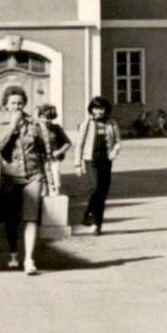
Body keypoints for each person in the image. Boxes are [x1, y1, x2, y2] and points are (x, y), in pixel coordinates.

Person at [0, 86, 49, 274]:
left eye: (20, 103)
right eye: (13, 103)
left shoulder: (34, 124)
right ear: (6, 105)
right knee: (11, 219)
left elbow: (42, 151)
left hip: (33, 174)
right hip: (11, 176)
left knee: (32, 218)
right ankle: (13, 251)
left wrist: (48, 179)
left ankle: (29, 259)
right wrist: (12, 126)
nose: (17, 106)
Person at [77, 96, 122, 233]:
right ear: (91, 109)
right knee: (96, 188)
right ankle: (88, 213)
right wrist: (77, 164)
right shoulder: (87, 123)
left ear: (105, 109)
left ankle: (97, 225)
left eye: (101, 108)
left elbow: (118, 141)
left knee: (103, 193)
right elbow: (80, 144)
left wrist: (115, 151)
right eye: (96, 108)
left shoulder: (112, 123)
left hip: (106, 161)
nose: (98, 111)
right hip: (91, 160)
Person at [37, 103, 71, 193]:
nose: (45, 120)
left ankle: (56, 198)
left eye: (48, 118)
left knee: (55, 179)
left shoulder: (56, 128)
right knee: (42, 182)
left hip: (53, 159)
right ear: (39, 117)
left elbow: (68, 143)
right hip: (39, 160)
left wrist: (59, 151)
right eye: (43, 117)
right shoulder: (35, 129)